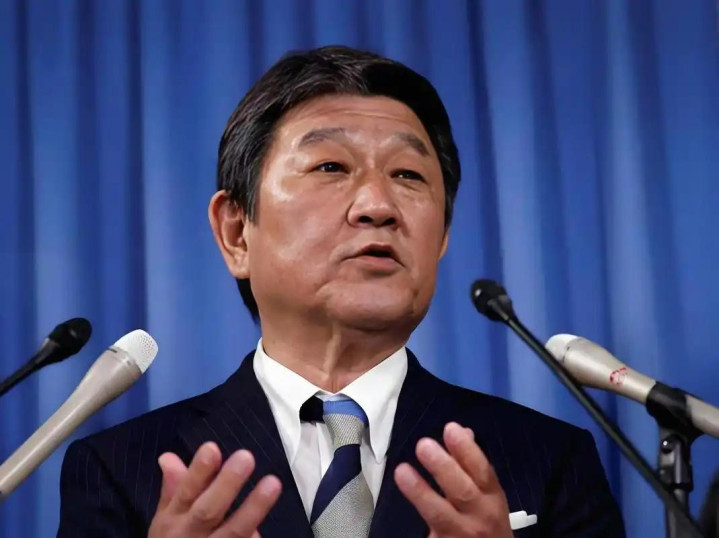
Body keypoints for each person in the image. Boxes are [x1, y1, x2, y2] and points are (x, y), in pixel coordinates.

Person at [58, 46, 625, 538]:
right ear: (236, 232)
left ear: (442, 237)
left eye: (408, 175)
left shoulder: (548, 459)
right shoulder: (123, 470)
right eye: (331, 166)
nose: (378, 206)